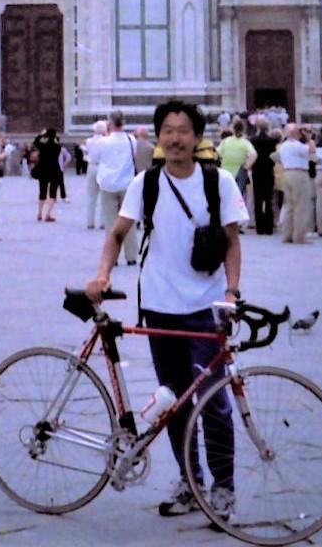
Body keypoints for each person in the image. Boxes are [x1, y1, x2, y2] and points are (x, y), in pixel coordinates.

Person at [86, 100, 247, 519]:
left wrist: (231, 292)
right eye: (168, 131)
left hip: (206, 308)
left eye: (183, 130)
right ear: (159, 137)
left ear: (197, 137)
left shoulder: (219, 182)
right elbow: (117, 233)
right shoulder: (146, 184)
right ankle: (190, 483)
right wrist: (102, 275)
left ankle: (223, 488)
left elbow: (232, 242)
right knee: (174, 401)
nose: (175, 139)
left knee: (213, 401)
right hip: (160, 307)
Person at [92, 110, 139, 266]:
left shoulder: (103, 142)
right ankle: (131, 255)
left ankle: (113, 256)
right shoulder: (131, 139)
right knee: (129, 221)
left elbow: (94, 158)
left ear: (110, 123)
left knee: (110, 222)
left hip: (108, 184)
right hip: (127, 184)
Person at [275, 123, 316, 244]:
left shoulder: (284, 146)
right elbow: (312, 150)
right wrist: (309, 138)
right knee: (301, 205)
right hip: (299, 174)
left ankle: (287, 234)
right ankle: (299, 236)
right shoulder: (296, 145)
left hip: (287, 173)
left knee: (289, 206)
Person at [32, 128, 63, 222]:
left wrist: (41, 135)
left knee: (42, 191)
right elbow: (58, 143)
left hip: (43, 169)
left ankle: (39, 213)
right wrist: (56, 140)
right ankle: (48, 214)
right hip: (54, 169)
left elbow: (35, 142)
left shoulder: (43, 146)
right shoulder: (57, 146)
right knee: (53, 192)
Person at [84, 120, 106, 230]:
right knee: (103, 196)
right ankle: (103, 222)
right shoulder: (106, 141)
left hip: (91, 166)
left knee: (91, 196)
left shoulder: (89, 141)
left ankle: (90, 221)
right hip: (102, 167)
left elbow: (87, 152)